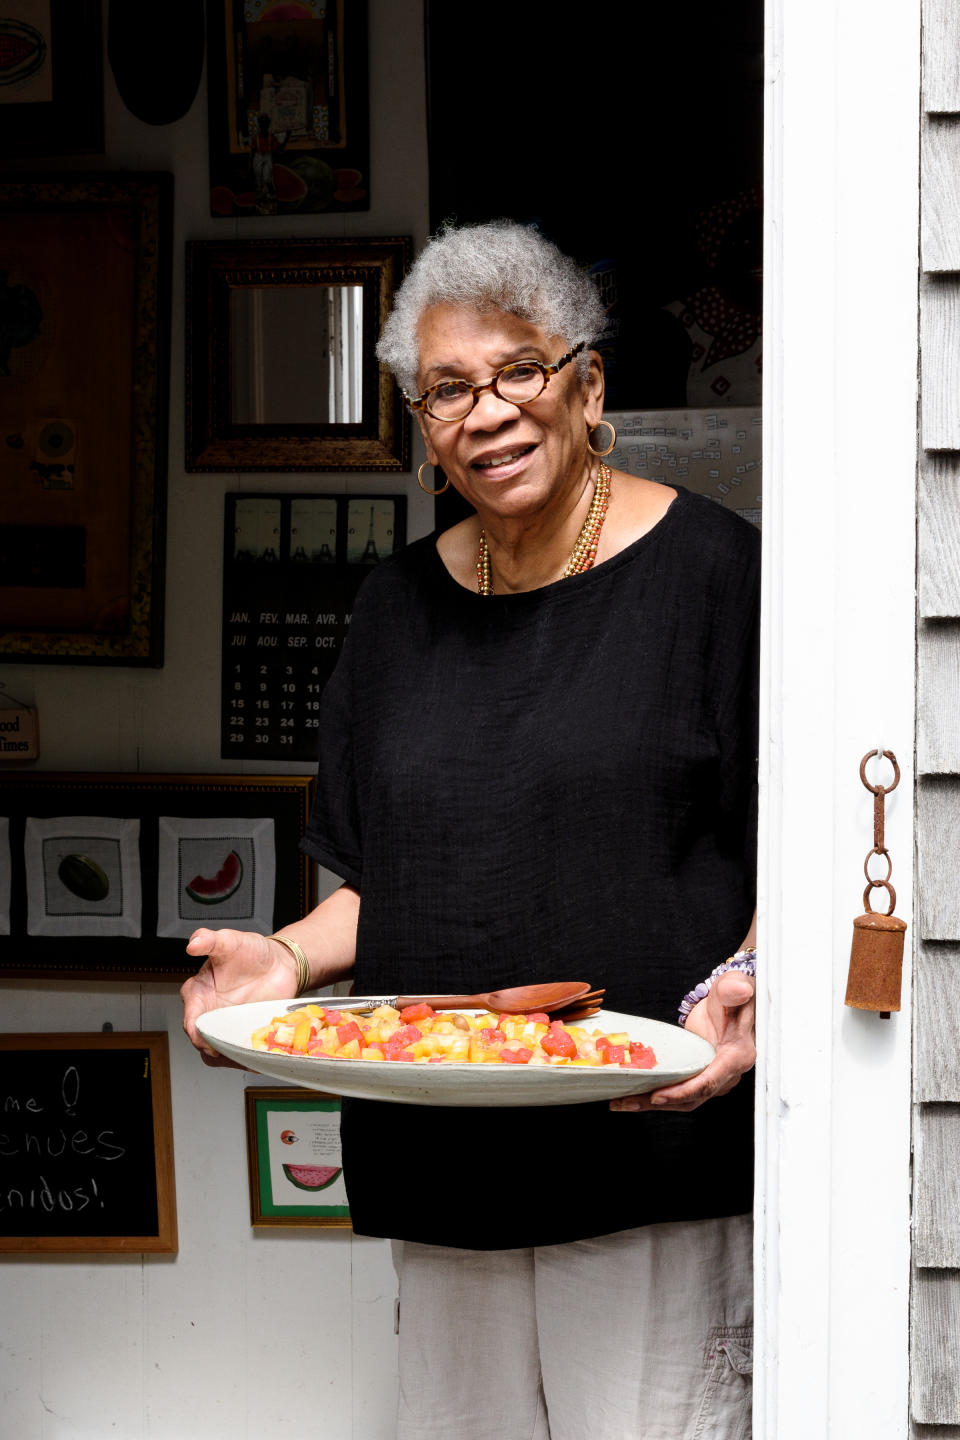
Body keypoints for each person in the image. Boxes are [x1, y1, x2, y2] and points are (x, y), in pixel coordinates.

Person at [181, 219, 759, 1440]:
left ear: (588, 385)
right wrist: (283, 960)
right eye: (446, 388)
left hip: (648, 1159)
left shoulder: (717, 578)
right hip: (445, 1165)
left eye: (519, 371)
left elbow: (796, 850)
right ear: (422, 425)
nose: (485, 412)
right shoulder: (393, 609)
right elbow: (391, 887)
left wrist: (755, 979)